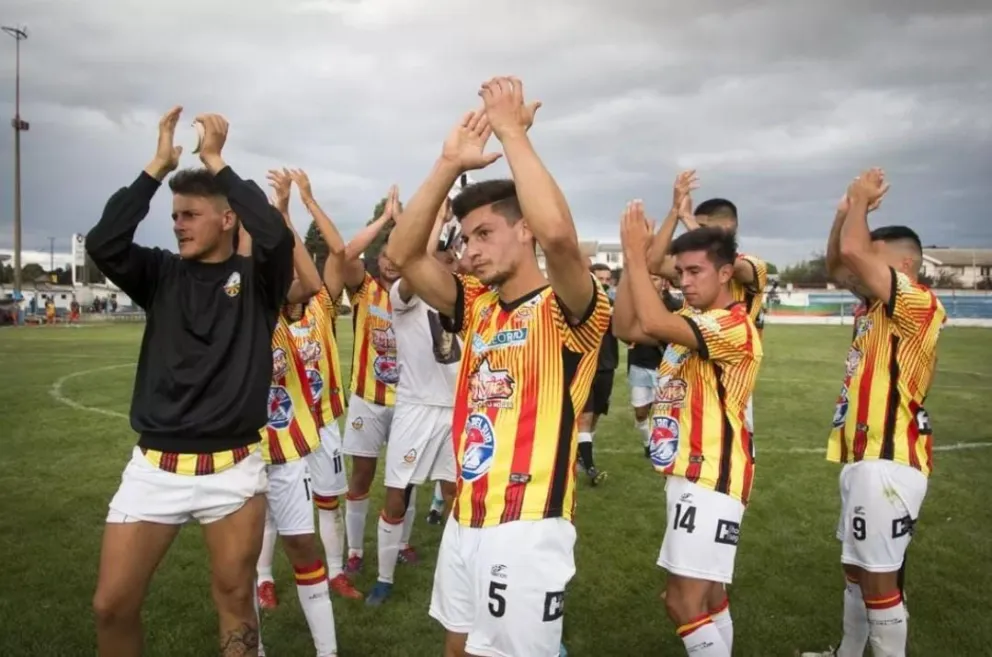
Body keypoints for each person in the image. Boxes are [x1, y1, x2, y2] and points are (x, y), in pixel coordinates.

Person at [387, 77, 610, 657]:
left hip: (528, 525)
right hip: (467, 513)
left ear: (524, 229)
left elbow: (561, 238)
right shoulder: (478, 305)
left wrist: (511, 133)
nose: (470, 250)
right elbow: (404, 256)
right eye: (465, 239)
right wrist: (446, 163)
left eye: (485, 233)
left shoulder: (569, 309)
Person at [86, 107, 293, 657]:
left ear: (226, 220)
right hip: (154, 468)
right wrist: (157, 166)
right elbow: (105, 242)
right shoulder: (159, 273)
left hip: (233, 471)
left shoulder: (257, 282)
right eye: (174, 215)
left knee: (234, 601)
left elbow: (274, 234)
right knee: (112, 604)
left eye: (191, 214)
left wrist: (217, 162)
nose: (177, 224)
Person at [801, 170, 944, 657]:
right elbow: (840, 264)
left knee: (880, 583)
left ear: (906, 265)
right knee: (857, 573)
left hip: (890, 462)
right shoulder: (873, 305)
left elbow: (856, 256)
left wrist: (861, 203)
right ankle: (846, 652)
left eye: (876, 264)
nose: (863, 272)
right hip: (865, 460)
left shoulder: (917, 303)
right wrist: (844, 213)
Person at [617, 194, 762, 657]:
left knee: (682, 604)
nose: (685, 281)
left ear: (725, 273)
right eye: (680, 273)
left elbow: (653, 319)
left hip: (711, 478)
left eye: (695, 272)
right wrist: (631, 263)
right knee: (711, 600)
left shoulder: (733, 325)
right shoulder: (691, 319)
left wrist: (636, 257)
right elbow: (626, 326)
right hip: (690, 475)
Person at [367, 202, 463, 607]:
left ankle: (462, 574)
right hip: (416, 408)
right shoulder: (404, 296)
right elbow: (410, 263)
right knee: (395, 496)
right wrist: (436, 221)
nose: (446, 267)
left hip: (459, 410)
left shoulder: (468, 298)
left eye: (449, 261)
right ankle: (384, 577)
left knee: (461, 495)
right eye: (437, 261)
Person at [338, 186, 412, 574]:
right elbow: (347, 255)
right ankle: (354, 549)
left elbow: (430, 258)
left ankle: (400, 543)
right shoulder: (364, 290)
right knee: (362, 474)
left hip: (407, 402)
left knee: (404, 478)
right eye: (384, 257)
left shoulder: (418, 293)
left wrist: (405, 224)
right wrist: (385, 219)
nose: (389, 263)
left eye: (396, 257)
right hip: (367, 398)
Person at [623, 275, 683, 457]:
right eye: (648, 279)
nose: (651, 283)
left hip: (668, 366)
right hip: (639, 364)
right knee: (641, 413)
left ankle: (669, 449)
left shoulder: (675, 305)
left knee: (669, 412)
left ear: (664, 282)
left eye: (655, 279)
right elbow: (623, 330)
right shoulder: (634, 304)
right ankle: (647, 441)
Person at [576, 263, 616, 485]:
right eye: (599, 278)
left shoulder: (613, 305)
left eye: (607, 279)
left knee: (596, 415)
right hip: (584, 365)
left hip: (607, 366)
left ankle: (582, 452)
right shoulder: (580, 303)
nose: (604, 282)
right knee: (585, 416)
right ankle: (590, 467)